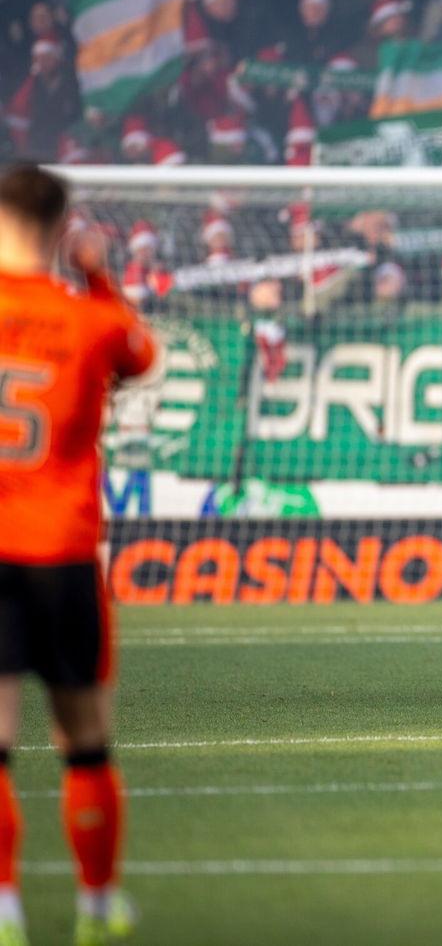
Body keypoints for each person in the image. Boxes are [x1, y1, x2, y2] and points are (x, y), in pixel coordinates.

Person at [0, 164, 154, 945]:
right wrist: (95, 273)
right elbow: (139, 353)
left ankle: (4, 908)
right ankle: (97, 905)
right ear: (62, 229)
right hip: (60, 550)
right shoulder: (89, 321)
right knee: (84, 740)